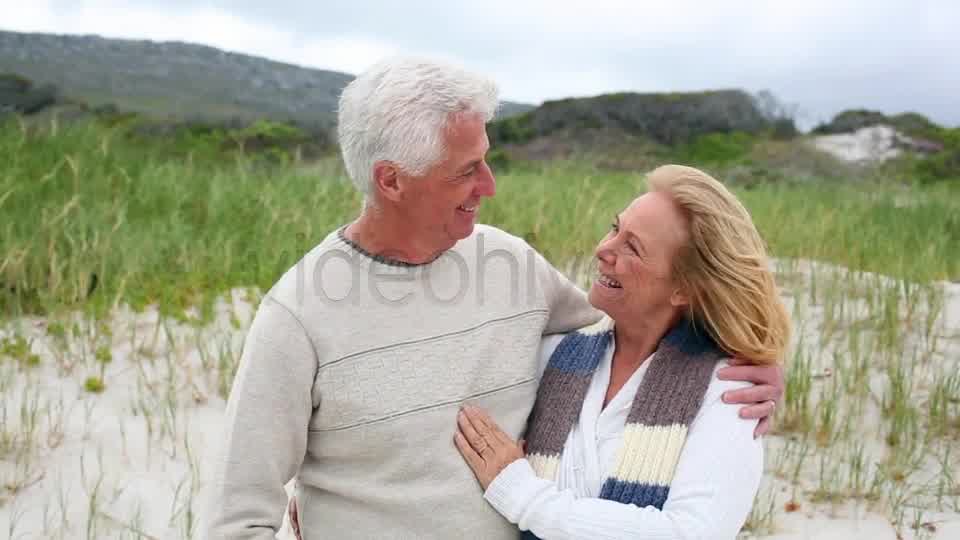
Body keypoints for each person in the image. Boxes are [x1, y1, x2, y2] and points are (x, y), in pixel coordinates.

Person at [203, 57, 784, 540]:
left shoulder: (509, 264)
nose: (489, 184)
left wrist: (752, 362)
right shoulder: (298, 314)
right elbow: (236, 517)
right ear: (391, 180)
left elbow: (645, 325)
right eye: (466, 170)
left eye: (486, 159)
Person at [454, 164, 791, 540]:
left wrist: (523, 496)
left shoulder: (729, 392)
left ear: (684, 289)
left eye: (632, 247)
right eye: (616, 228)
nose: (602, 249)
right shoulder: (556, 352)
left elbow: (692, 533)